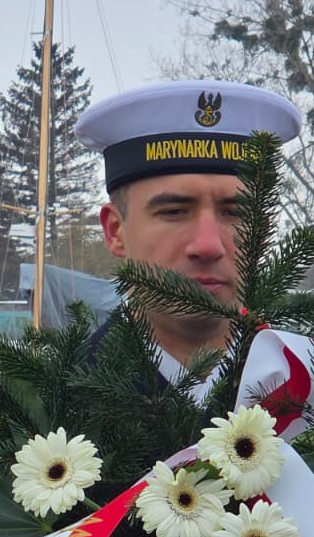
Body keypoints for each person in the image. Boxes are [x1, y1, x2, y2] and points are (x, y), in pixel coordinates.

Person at [73, 80, 301, 391]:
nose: (208, 246)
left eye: (235, 213)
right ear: (115, 231)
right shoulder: (33, 410)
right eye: (174, 212)